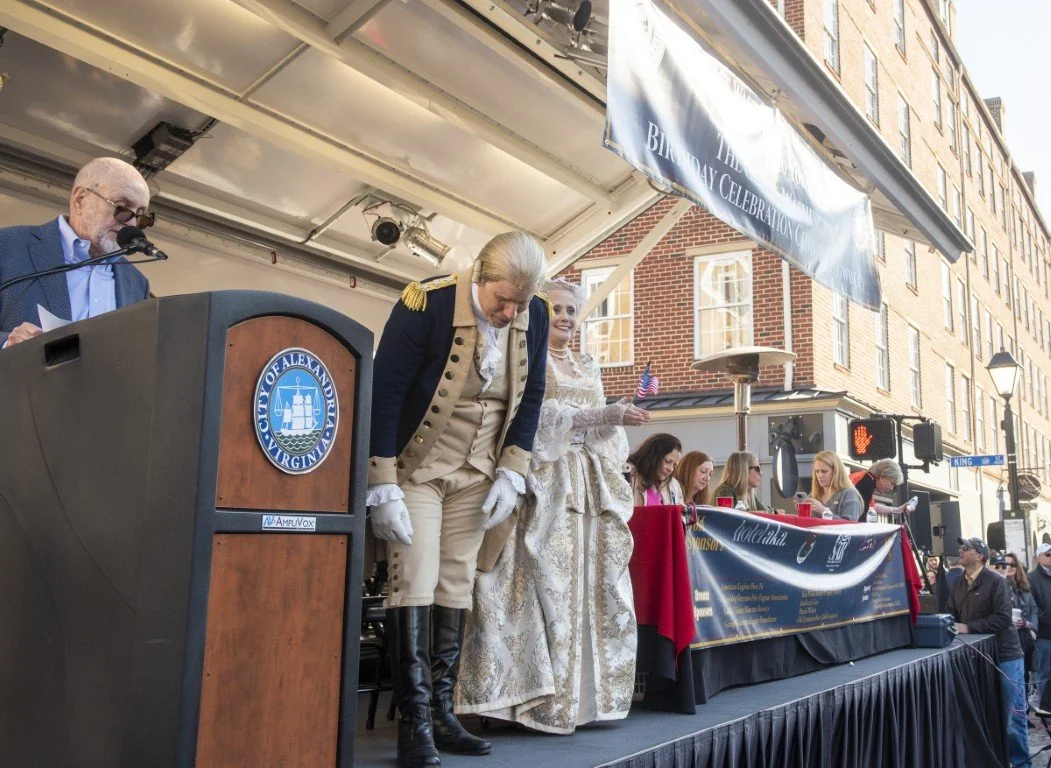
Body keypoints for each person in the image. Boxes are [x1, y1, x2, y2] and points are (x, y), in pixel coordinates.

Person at [367, 232, 549, 768]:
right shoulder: (425, 302)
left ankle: (443, 714)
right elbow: (386, 391)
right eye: (502, 301)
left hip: (480, 474)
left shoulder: (532, 314)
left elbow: (533, 394)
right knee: (414, 581)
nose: (510, 313)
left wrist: (513, 469)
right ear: (479, 276)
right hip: (420, 470)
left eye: (520, 303)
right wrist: (382, 482)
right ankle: (414, 724)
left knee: (455, 582)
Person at [457, 279, 648, 733]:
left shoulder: (586, 365)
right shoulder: (528, 357)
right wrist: (605, 415)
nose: (565, 318)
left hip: (589, 483)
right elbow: (533, 419)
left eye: (571, 311)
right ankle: (533, 700)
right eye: (557, 309)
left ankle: (584, 701)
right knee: (547, 581)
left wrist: (612, 419)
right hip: (546, 480)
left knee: (593, 582)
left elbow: (605, 432)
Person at [0, 157, 153, 347]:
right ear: (80, 200)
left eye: (140, 216)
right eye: (122, 208)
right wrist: (6, 344)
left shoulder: (137, 283)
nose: (131, 224)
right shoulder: (7, 246)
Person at [947, 537, 1030, 767]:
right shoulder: (957, 583)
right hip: (976, 657)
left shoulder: (996, 581)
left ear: (981, 556)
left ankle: (1022, 763)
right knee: (987, 716)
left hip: (1006, 656)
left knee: (1012, 716)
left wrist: (969, 626)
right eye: (961, 547)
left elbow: (1004, 618)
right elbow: (950, 613)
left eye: (966, 548)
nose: (960, 550)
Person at [1002, 553, 1038, 696]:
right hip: (1011, 639)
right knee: (1018, 677)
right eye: (1005, 564)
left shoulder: (1024, 586)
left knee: (1027, 675)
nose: (1009, 567)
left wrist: (1032, 626)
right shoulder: (1000, 584)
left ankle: (1025, 711)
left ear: (1017, 567)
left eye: (1012, 564)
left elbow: (1034, 608)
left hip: (1026, 637)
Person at [799, 451, 864, 521]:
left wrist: (823, 511)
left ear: (836, 471)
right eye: (817, 471)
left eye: (824, 471)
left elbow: (850, 525)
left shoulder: (849, 494)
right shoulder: (813, 496)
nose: (819, 475)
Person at [627, 433, 683, 505]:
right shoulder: (629, 474)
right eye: (667, 462)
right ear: (654, 456)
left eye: (674, 465)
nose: (671, 469)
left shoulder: (670, 485)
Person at [1028, 543, 1051, 708]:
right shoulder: (1032, 578)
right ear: (1038, 557)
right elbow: (1033, 607)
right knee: (1044, 672)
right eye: (1048, 554)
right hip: (1044, 634)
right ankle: (1044, 707)